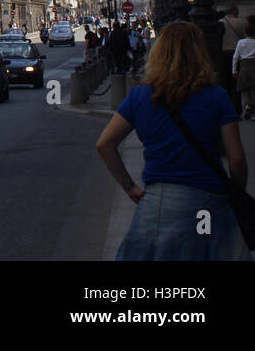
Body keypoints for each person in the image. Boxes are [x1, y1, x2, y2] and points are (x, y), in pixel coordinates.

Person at [95, 21, 250, 261]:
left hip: (159, 204)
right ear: (199, 53)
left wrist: (129, 188)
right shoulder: (216, 96)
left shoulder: (139, 95)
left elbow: (105, 144)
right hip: (210, 200)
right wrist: (234, 193)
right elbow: (237, 159)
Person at [222, 6, 246, 102]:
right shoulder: (241, 22)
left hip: (224, 52)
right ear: (234, 11)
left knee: (226, 77)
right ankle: (237, 99)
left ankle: (229, 98)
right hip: (237, 52)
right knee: (236, 79)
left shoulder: (220, 23)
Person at [234, 17, 255, 121]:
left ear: (245, 32)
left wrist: (234, 70)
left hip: (243, 66)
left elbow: (235, 56)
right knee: (253, 89)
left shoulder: (241, 42)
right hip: (253, 66)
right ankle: (254, 113)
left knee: (244, 88)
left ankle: (247, 105)